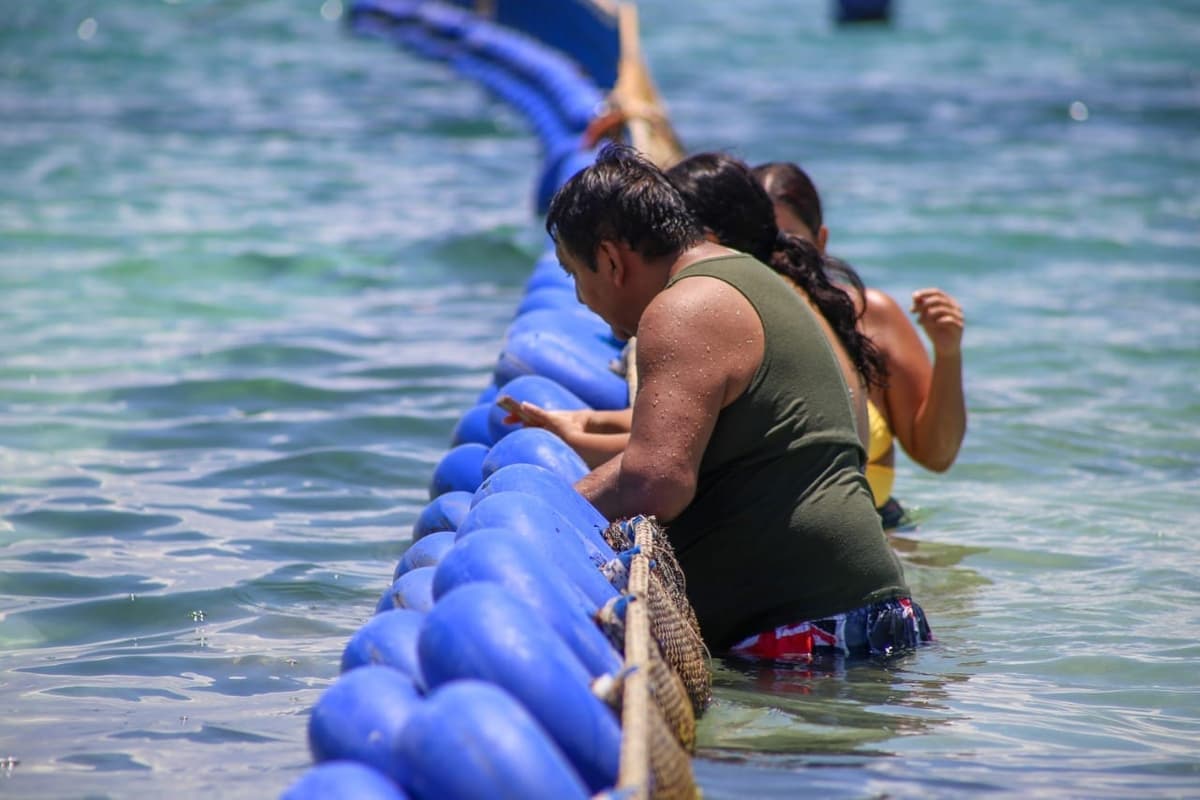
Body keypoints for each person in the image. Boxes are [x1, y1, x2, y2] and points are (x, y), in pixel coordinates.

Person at [544, 143, 930, 659]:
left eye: (575, 274)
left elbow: (655, 482)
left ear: (612, 260)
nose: (576, 297)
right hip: (857, 621)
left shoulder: (683, 307)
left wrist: (539, 519)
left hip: (811, 634)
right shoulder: (743, 275)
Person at [508, 153, 885, 464]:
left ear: (704, 240)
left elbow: (661, 470)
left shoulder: (702, 306)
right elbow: (688, 432)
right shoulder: (774, 292)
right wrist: (582, 423)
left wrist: (566, 467)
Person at [753, 161, 967, 528]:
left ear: (820, 241)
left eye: (789, 240)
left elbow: (936, 455)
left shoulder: (871, 316)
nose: (776, 257)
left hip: (882, 538)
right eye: (762, 242)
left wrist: (947, 353)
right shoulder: (728, 326)